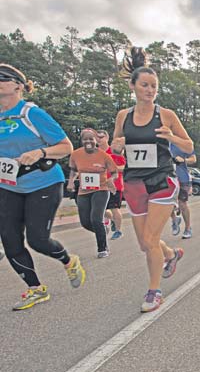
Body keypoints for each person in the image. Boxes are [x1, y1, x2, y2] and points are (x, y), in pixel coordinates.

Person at [0, 63, 85, 310]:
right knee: (11, 241)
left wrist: (40, 151)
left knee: (38, 240)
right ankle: (35, 289)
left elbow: (65, 147)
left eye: (2, 78)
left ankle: (69, 261)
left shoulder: (32, 114)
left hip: (43, 182)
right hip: (9, 185)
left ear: (18, 85)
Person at [111, 48, 190, 312]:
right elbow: (115, 146)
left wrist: (170, 136)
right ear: (133, 86)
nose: (150, 90)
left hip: (161, 180)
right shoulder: (123, 115)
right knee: (145, 244)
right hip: (134, 182)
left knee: (151, 237)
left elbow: (189, 146)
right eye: (145, 85)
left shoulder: (166, 115)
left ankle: (154, 292)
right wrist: (118, 145)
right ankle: (171, 254)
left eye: (154, 86)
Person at [68, 129, 118, 257]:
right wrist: (71, 182)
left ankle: (102, 248)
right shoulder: (75, 154)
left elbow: (114, 172)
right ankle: (103, 229)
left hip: (101, 189)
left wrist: (111, 180)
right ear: (82, 140)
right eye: (85, 139)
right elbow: (73, 170)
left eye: (91, 139)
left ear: (96, 140)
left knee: (96, 219)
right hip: (83, 191)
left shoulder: (104, 155)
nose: (88, 141)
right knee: (85, 222)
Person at [96, 129, 126, 240]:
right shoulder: (94, 153)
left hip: (115, 185)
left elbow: (123, 168)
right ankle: (112, 220)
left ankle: (118, 231)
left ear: (107, 138)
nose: (98, 139)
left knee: (114, 208)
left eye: (101, 137)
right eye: (97, 137)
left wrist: (110, 168)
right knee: (99, 209)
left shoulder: (114, 151)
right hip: (99, 185)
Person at [170, 142, 196, 239]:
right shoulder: (162, 142)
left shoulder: (183, 142)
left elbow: (193, 159)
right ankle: (174, 219)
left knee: (182, 203)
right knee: (166, 203)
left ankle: (188, 228)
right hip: (167, 177)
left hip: (182, 177)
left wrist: (183, 160)